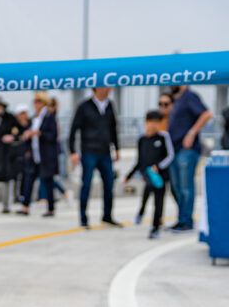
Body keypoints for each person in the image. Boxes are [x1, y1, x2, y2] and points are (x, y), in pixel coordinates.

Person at [68, 86, 121, 229]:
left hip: (105, 152)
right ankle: (84, 218)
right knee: (86, 184)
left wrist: (116, 148)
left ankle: (107, 216)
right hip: (89, 151)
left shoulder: (110, 106)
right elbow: (74, 129)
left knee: (109, 184)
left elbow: (113, 128)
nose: (109, 89)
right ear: (96, 88)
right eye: (105, 86)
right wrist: (72, 151)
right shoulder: (84, 107)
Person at [166, 84, 212, 232]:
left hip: (186, 150)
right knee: (177, 188)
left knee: (186, 188)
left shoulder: (189, 97)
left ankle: (186, 222)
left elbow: (206, 114)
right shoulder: (179, 99)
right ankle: (181, 219)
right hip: (176, 150)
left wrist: (191, 133)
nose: (170, 84)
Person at [123, 110, 174, 239]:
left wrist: (159, 166)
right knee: (147, 191)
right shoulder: (142, 139)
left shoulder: (163, 137)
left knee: (158, 201)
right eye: (151, 122)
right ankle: (141, 212)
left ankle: (155, 227)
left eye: (157, 122)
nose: (153, 125)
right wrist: (129, 175)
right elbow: (139, 160)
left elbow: (170, 155)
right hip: (147, 174)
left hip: (161, 176)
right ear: (145, 123)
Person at [17, 92, 58, 217]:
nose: (36, 104)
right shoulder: (34, 118)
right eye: (35, 102)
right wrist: (28, 136)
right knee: (29, 179)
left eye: (38, 102)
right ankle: (25, 206)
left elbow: (53, 135)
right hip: (34, 154)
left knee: (48, 180)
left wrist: (39, 134)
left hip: (45, 154)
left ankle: (50, 208)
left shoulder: (49, 117)